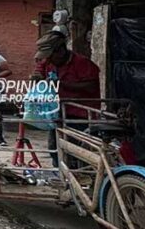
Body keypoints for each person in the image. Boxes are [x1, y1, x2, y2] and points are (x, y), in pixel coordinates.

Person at [32, 31, 100, 167]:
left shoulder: (82, 63)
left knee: (75, 151)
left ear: (61, 51)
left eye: (51, 56)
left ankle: (77, 174)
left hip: (79, 114)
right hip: (56, 113)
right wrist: (37, 78)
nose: (48, 60)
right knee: (54, 147)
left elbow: (91, 85)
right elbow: (39, 72)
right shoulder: (48, 62)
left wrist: (62, 84)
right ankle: (61, 172)